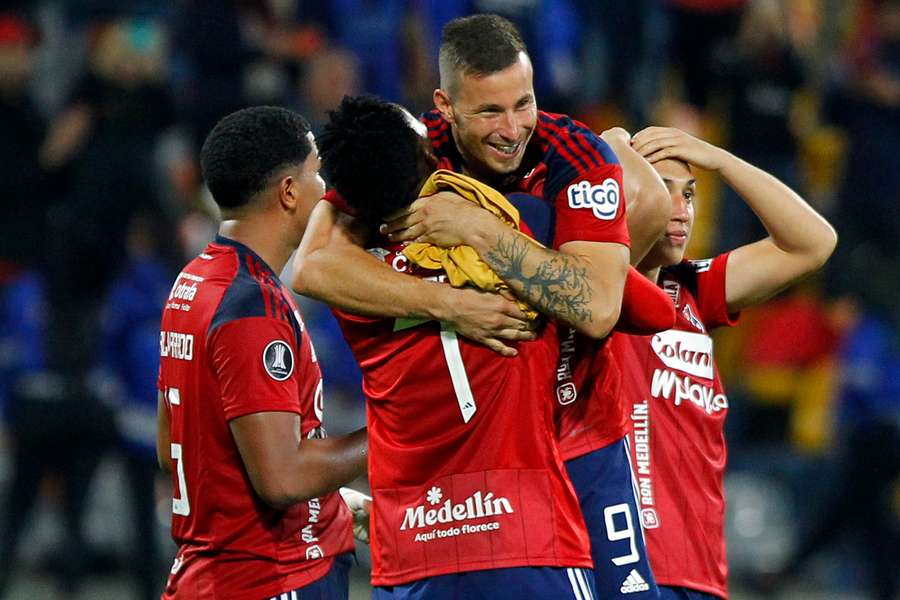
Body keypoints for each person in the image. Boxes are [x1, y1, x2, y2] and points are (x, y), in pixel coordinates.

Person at [293, 15, 672, 598]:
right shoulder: (415, 152)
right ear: (444, 105)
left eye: (524, 103)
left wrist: (479, 230)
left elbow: (597, 307)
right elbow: (313, 264)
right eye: (489, 112)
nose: (513, 128)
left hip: (582, 432)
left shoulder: (572, 155)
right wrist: (450, 303)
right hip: (494, 460)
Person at [314, 93, 597, 599]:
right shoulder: (525, 224)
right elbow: (619, 304)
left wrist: (439, 301)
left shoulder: (353, 292)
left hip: (413, 550)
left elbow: (316, 263)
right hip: (526, 538)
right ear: (428, 159)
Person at [616, 126, 837, 599]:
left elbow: (813, 243)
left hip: (702, 566)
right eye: (662, 193)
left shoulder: (692, 289)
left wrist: (720, 159)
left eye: (690, 195)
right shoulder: (598, 296)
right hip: (627, 568)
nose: (681, 212)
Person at [156, 106, 367, 600]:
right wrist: (394, 435)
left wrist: (333, 504)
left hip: (214, 577)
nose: (327, 189)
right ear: (289, 192)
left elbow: (173, 447)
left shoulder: (195, 282)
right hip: (270, 578)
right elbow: (282, 477)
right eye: (317, 172)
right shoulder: (253, 306)